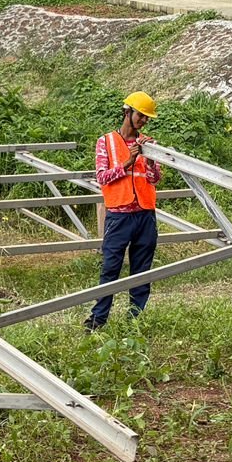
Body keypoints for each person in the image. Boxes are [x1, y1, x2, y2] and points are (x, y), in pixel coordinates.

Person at [84, 92, 162, 331]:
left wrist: (149, 162)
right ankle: (98, 319)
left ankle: (134, 321)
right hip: (119, 215)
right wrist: (127, 163)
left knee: (141, 271)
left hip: (145, 214)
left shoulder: (149, 144)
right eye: (141, 115)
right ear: (127, 112)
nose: (143, 121)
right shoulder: (105, 142)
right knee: (110, 268)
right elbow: (102, 177)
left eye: (147, 118)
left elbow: (155, 178)